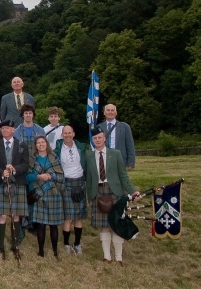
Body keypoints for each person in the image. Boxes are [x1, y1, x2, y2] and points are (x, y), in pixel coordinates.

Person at [86, 126, 140, 265]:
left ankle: (119, 257)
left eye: (100, 137)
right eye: (95, 138)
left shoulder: (115, 154)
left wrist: (132, 191)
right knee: (104, 226)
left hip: (115, 192)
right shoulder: (89, 156)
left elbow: (123, 175)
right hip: (98, 193)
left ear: (105, 138)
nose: (97, 140)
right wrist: (89, 196)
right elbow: (89, 178)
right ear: (92, 140)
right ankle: (107, 257)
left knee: (117, 225)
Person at [0, 119, 29, 259]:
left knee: (16, 215)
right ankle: (1, 246)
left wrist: (15, 169)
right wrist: (2, 172)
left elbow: (26, 165)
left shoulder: (22, 145)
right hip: (1, 184)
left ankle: (15, 244)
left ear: (13, 130)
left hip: (17, 183)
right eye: (3, 129)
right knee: (2, 215)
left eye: (8, 128)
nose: (5, 130)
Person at [26, 136, 65, 258]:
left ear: (46, 144)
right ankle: (41, 251)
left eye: (43, 142)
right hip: (39, 194)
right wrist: (38, 177)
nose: (41, 144)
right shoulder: (32, 159)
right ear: (35, 145)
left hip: (53, 193)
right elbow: (27, 177)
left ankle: (55, 250)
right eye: (38, 143)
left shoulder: (54, 157)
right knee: (41, 225)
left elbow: (61, 176)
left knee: (54, 225)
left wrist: (50, 175)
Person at [54, 125, 88, 254]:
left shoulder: (81, 147)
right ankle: (66, 244)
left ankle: (78, 243)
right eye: (65, 133)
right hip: (66, 183)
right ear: (62, 135)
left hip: (80, 182)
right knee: (68, 217)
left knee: (78, 217)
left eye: (70, 133)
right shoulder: (57, 149)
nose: (67, 135)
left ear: (73, 134)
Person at [98, 104, 136, 170]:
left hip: (120, 161)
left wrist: (130, 163)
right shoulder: (99, 127)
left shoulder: (124, 127)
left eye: (112, 110)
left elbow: (130, 146)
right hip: (104, 161)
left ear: (116, 113)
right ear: (104, 112)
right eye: (108, 110)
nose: (110, 112)